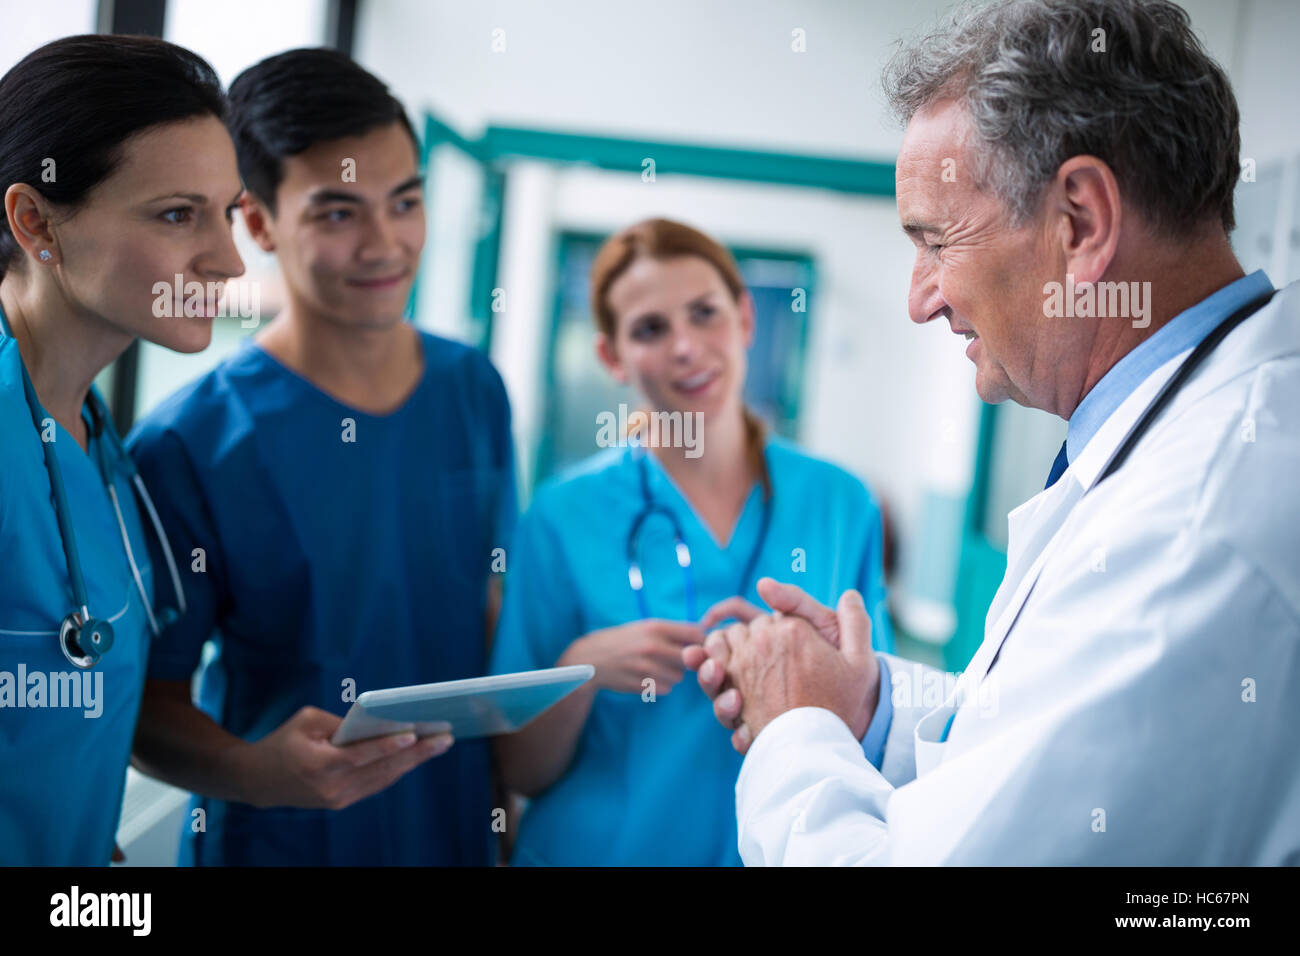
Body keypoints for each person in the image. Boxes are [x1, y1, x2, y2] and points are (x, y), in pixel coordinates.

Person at [687, 0, 1300, 865]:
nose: (919, 298)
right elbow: (1035, 743)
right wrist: (867, 703)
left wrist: (796, 725)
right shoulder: (1197, 431)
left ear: (1080, 221)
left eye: (936, 241)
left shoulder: (1192, 527)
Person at [127, 48, 515, 865]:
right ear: (259, 223)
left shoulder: (472, 389)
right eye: (338, 213)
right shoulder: (190, 443)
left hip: (452, 835)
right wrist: (253, 773)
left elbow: (483, 609)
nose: (386, 245)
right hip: (285, 845)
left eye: (405, 202)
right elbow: (141, 706)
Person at [489, 217, 894, 865]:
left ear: (744, 321)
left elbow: (880, 725)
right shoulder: (563, 516)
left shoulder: (840, 503)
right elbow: (519, 769)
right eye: (651, 329)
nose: (685, 346)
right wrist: (583, 667)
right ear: (612, 357)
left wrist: (809, 671)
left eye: (704, 314)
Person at [0, 35, 244, 864]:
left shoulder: (101, 443)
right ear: (36, 222)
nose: (229, 260)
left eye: (229, 212)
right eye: (179, 215)